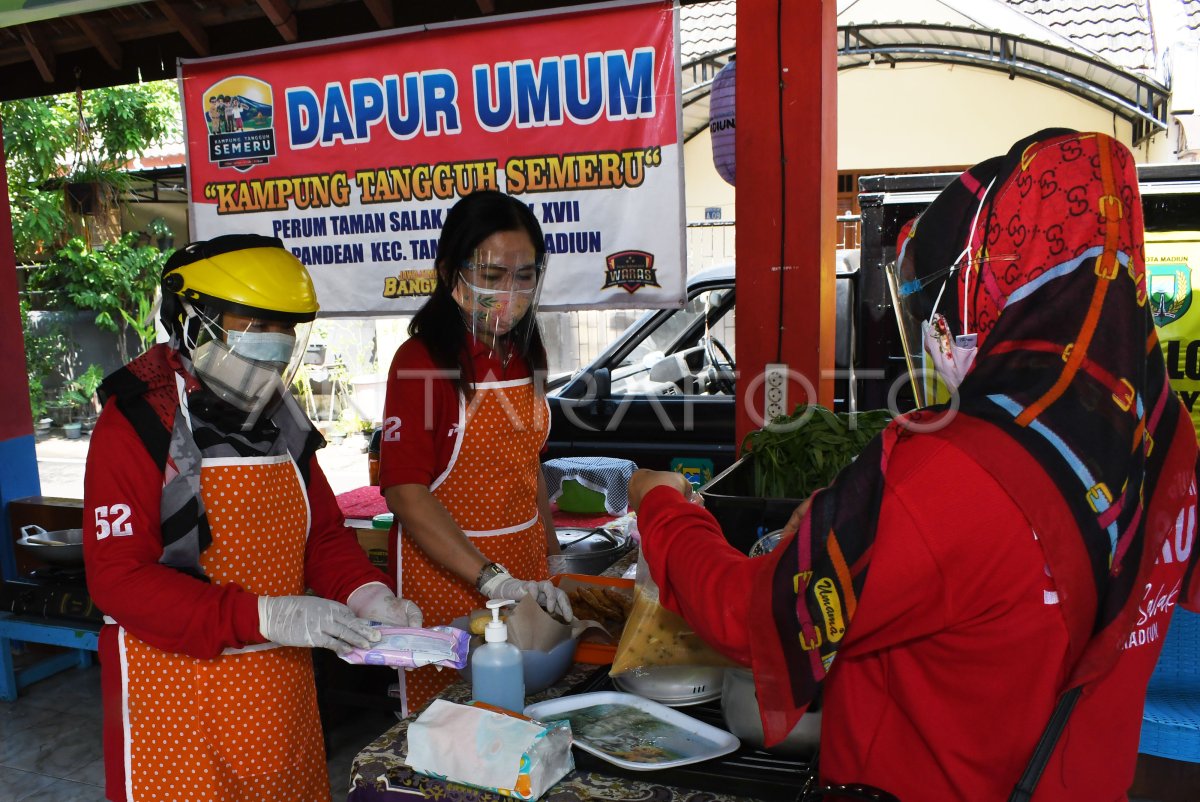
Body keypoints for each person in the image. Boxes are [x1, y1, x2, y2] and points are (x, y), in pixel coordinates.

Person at [628, 130, 1200, 801]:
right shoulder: (1163, 438)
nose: (932, 333)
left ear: (995, 276)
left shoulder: (959, 464)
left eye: (937, 298)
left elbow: (751, 615)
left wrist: (663, 509)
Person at [84, 234, 422, 802]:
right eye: (254, 326)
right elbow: (118, 580)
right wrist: (264, 613)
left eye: (284, 329)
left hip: (278, 693)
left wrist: (367, 593)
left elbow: (322, 534)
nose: (275, 345)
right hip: (175, 699)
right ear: (193, 323)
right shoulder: (137, 420)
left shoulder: (280, 417)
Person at [379, 190, 571, 713]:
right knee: (459, 732)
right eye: (490, 276)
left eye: (524, 275)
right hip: (451, 583)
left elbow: (526, 458)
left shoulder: (526, 350)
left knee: (528, 717)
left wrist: (553, 557)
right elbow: (405, 492)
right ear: (450, 274)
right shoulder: (422, 361)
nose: (509, 292)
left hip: (525, 568)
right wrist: (490, 577)